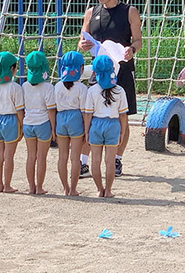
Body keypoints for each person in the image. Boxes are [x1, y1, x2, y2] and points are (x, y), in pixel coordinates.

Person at [78, 0, 142, 177]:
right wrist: (84, 45)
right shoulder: (91, 12)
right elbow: (81, 41)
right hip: (99, 72)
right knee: (92, 115)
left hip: (122, 71)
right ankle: (83, 162)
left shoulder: (129, 11)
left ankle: (116, 160)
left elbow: (138, 41)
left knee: (122, 116)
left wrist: (131, 50)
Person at [84, 55, 129, 198]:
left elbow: (88, 114)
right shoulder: (120, 90)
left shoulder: (91, 91)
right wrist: (122, 132)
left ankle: (99, 189)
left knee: (95, 160)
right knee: (109, 161)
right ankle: (108, 190)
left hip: (96, 124)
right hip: (113, 125)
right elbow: (123, 115)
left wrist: (86, 131)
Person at [0, 51, 25, 193]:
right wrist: (22, 126)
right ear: (12, 69)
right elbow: (19, 110)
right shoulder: (15, 88)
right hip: (11, 120)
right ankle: (7, 185)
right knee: (9, 156)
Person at [21, 51, 56, 195]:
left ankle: (31, 187)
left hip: (28, 123)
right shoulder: (48, 88)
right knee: (41, 157)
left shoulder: (23, 86)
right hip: (43, 124)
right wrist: (53, 129)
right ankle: (39, 187)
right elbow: (51, 111)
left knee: (31, 156)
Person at [55, 51, 87, 196]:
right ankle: (73, 189)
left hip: (60, 118)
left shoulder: (57, 86)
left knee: (62, 156)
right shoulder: (82, 88)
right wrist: (86, 130)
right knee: (75, 157)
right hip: (76, 119)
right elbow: (85, 111)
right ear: (80, 69)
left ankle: (65, 188)